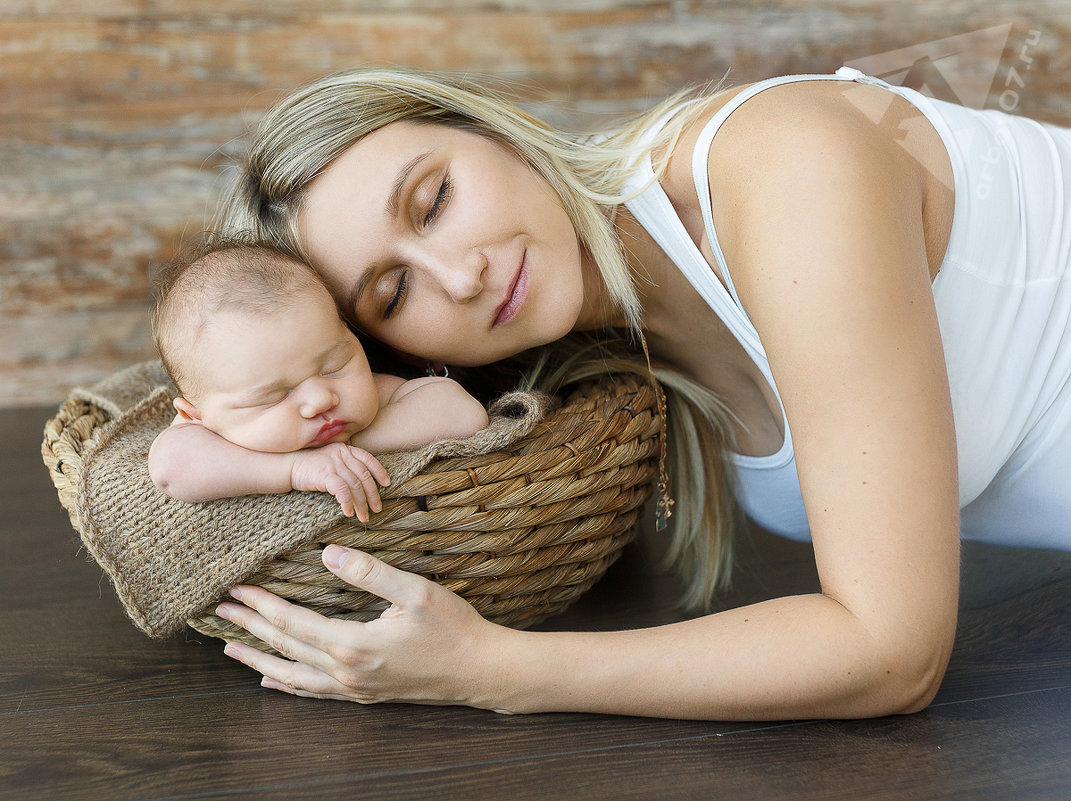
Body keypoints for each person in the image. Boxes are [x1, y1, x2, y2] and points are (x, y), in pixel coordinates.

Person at [201, 62, 1071, 719]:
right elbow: (172, 451)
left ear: (491, 132)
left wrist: (490, 671)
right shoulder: (598, 374)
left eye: (434, 199)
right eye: (392, 294)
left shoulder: (781, 165)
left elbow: (892, 653)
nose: (457, 276)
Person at [147, 240, 490, 520]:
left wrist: (343, 449)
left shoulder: (376, 395)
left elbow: (465, 414)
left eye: (334, 366)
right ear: (195, 415)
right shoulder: (202, 437)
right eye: (274, 396)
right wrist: (295, 468)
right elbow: (170, 469)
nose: (321, 399)